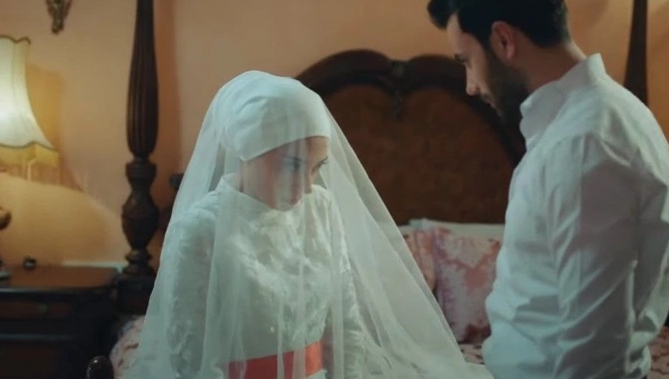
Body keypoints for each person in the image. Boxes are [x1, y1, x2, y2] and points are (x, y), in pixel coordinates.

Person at [123, 71, 493, 379]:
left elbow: (345, 323)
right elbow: (191, 357)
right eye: (293, 165)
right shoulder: (200, 230)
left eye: (317, 168)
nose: (306, 186)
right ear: (248, 149)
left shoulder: (321, 208)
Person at [426, 0, 669, 379]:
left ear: (503, 40)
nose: (470, 86)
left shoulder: (584, 143)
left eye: (467, 61)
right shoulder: (592, 118)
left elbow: (596, 346)